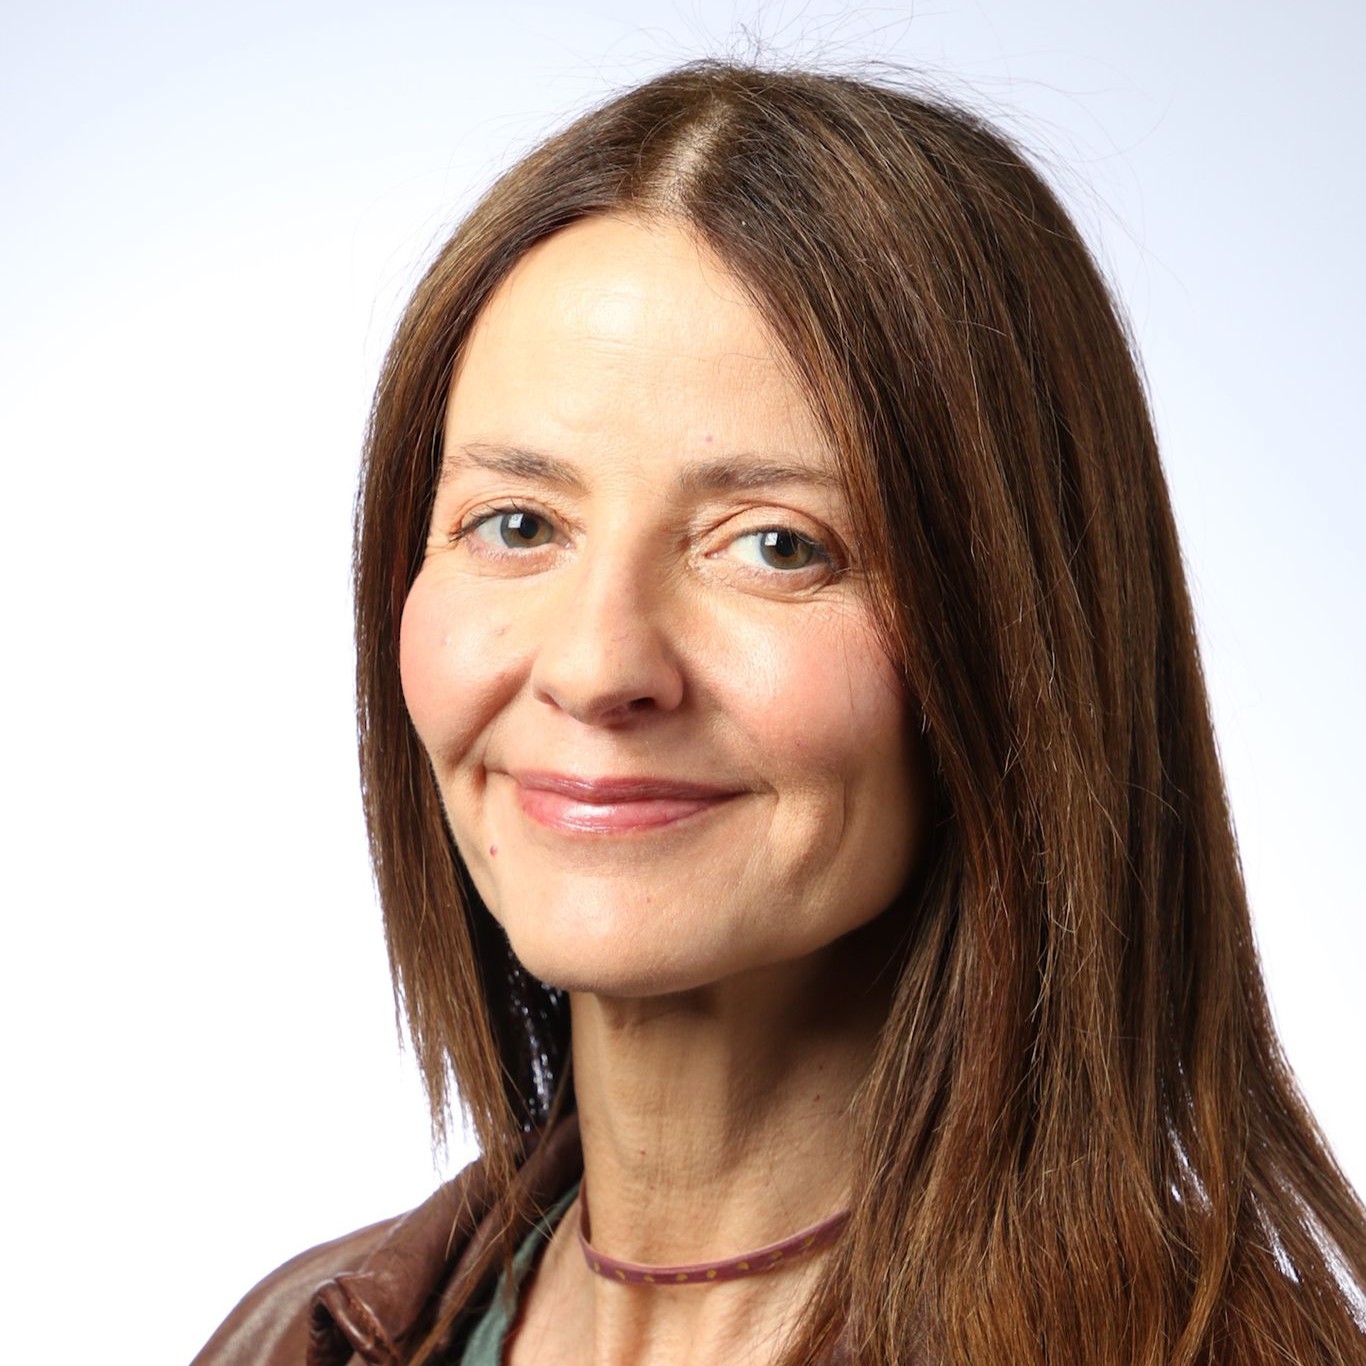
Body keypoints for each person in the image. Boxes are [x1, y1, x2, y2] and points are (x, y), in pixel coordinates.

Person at [193, 61, 1366, 1366]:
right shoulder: (291, 1338)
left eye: (776, 545)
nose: (596, 665)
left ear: (1015, 646)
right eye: (516, 524)